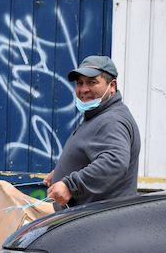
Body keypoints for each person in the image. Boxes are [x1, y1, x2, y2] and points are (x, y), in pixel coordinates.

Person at [44, 55, 141, 208]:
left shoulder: (111, 120)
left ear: (112, 86)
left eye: (92, 82)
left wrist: (70, 185)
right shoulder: (98, 115)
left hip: (101, 224)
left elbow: (114, 162)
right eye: (79, 83)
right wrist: (62, 173)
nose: (83, 89)